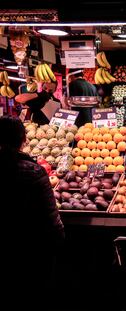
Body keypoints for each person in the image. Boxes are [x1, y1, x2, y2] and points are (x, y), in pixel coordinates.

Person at [0, 116, 65, 309]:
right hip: (32, 248)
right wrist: (59, 240)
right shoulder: (34, 172)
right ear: (23, 140)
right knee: (34, 296)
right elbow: (50, 216)